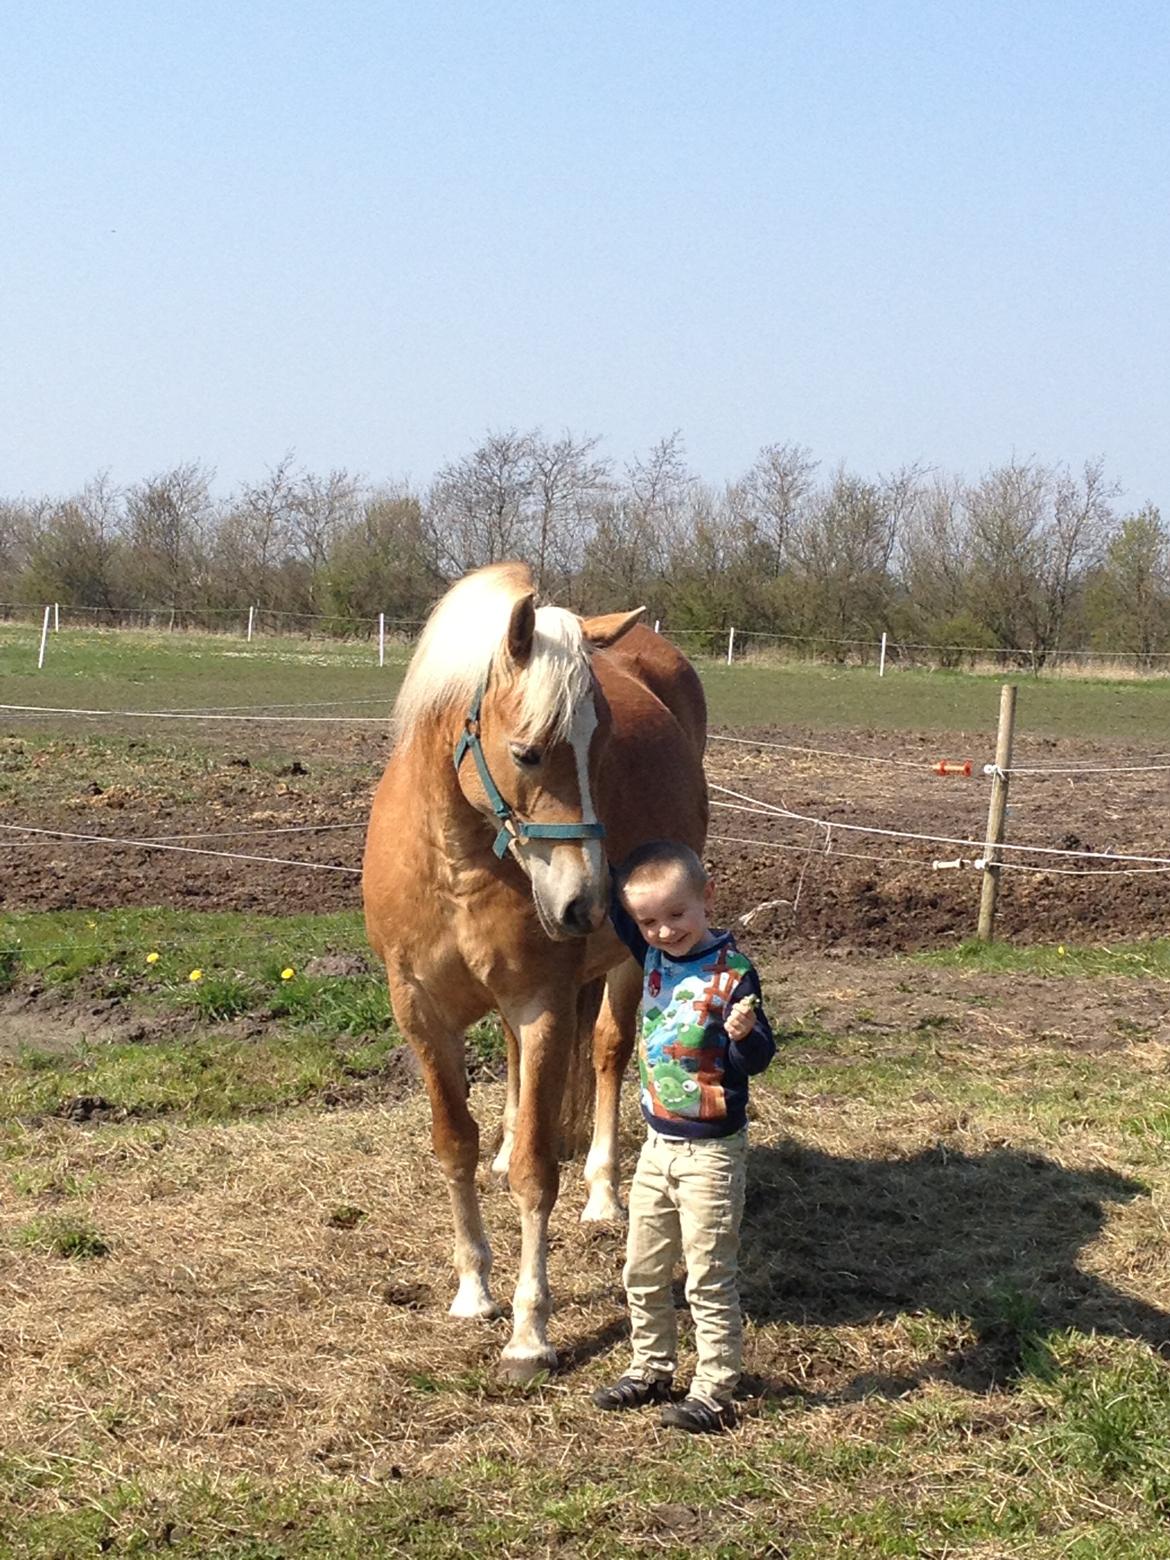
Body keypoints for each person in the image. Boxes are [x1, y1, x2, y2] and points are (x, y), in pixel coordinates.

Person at [591, 840, 775, 1432]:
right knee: (642, 1270)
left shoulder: (734, 976)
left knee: (707, 1276)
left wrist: (744, 1035)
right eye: (648, 921)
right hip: (655, 1148)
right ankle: (651, 1367)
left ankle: (716, 1389)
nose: (664, 931)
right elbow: (615, 903)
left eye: (677, 915)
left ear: (707, 901)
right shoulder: (651, 957)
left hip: (711, 1155)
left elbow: (758, 1059)